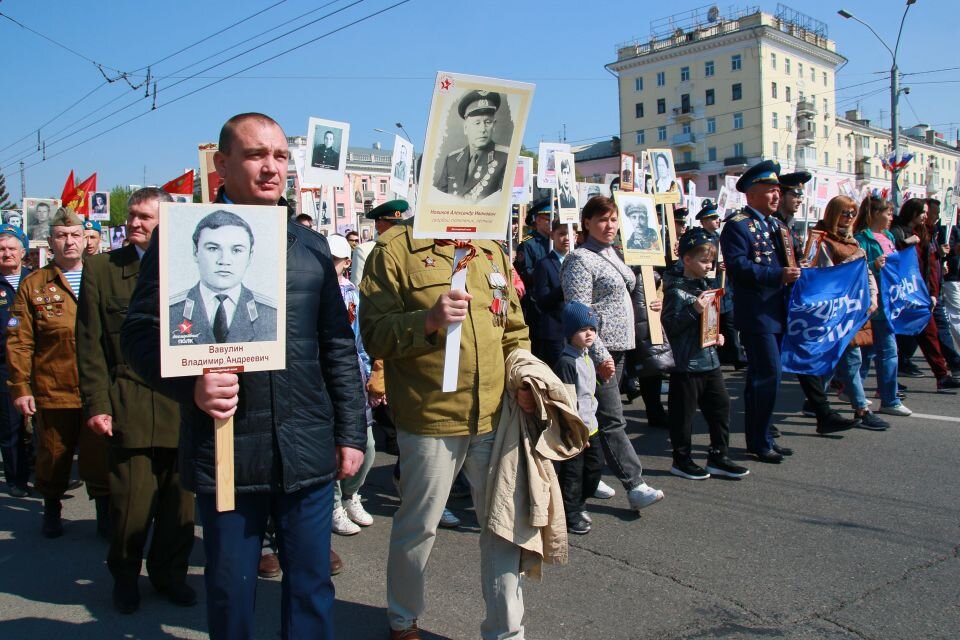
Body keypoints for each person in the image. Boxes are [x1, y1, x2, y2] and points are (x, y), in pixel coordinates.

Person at [121, 112, 368, 640]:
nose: (271, 167)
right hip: (227, 449)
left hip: (306, 447)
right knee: (231, 590)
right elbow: (138, 337)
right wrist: (189, 386)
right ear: (223, 164)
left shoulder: (310, 247)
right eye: (256, 155)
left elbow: (337, 347)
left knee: (310, 585)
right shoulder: (182, 241)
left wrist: (350, 432)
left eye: (280, 156)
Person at [359, 212, 534, 640]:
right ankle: (404, 618)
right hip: (430, 419)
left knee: (504, 527)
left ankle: (506, 631)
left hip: (494, 415)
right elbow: (375, 335)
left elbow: (513, 329)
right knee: (418, 526)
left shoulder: (490, 248)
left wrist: (526, 378)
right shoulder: (396, 248)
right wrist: (428, 321)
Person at [76, 187, 196, 614]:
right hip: (130, 403)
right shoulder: (103, 270)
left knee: (181, 507)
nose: (135, 223)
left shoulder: (190, 266)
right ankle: (125, 577)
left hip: (185, 405)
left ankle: (170, 575)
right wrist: (98, 404)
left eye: (146, 217)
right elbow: (90, 346)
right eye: (132, 216)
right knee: (131, 506)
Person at [7, 207, 109, 536]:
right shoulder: (35, 284)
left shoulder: (102, 276)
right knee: (53, 455)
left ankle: (106, 514)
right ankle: (52, 506)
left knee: (100, 457)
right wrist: (21, 387)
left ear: (86, 240)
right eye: (62, 236)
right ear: (51, 242)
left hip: (99, 389)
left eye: (75, 235)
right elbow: (20, 341)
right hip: (54, 388)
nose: (69, 242)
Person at [561, 195, 665, 511]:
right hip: (597, 350)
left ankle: (590, 477)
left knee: (593, 418)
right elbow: (578, 311)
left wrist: (651, 300)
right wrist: (600, 353)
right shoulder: (580, 259)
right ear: (587, 223)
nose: (610, 225)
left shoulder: (613, 253)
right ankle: (635, 485)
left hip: (620, 347)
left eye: (614, 219)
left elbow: (626, 290)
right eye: (603, 220)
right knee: (610, 419)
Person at [719, 160, 801, 463]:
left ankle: (762, 435)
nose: (776, 195)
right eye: (769, 190)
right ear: (751, 194)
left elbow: (791, 260)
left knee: (763, 378)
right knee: (768, 374)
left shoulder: (777, 225)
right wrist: (777, 275)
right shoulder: (738, 226)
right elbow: (738, 267)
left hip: (778, 310)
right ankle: (759, 439)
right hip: (757, 313)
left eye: (777, 190)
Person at [662, 227, 750, 480]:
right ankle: (681, 459)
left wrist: (715, 335)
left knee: (720, 408)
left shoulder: (707, 286)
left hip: (709, 360)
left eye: (710, 260)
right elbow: (670, 326)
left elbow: (710, 321)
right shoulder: (676, 290)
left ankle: (718, 455)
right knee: (684, 416)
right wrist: (694, 310)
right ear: (687, 260)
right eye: (703, 260)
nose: (708, 265)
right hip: (687, 365)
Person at [811, 196, 887, 431]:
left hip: (855, 309)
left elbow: (867, 274)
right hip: (835, 312)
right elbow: (823, 275)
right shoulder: (822, 241)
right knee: (851, 359)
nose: (849, 218)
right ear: (833, 213)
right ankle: (862, 410)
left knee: (833, 361)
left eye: (853, 214)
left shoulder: (853, 242)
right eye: (845, 213)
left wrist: (872, 298)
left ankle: (814, 399)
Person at [325, 234, 378, 537]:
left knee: (367, 446)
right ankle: (334, 504)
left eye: (335, 260)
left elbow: (360, 341)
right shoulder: (315, 291)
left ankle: (351, 494)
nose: (329, 265)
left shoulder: (353, 294)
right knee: (332, 446)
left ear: (347, 263)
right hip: (323, 378)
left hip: (353, 378)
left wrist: (370, 374)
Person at [168, 210, 278, 346]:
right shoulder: (170, 312)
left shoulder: (271, 314)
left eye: (236, 250)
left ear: (250, 256)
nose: (224, 260)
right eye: (213, 248)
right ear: (195, 251)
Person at [890, 198, 960, 391]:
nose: (926, 216)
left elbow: (927, 265)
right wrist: (905, 243)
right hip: (905, 292)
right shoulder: (899, 231)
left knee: (929, 334)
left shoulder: (925, 232)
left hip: (922, 292)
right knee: (892, 340)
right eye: (923, 212)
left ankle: (942, 375)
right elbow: (892, 256)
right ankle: (888, 380)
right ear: (913, 213)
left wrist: (932, 291)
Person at [854, 196, 911, 417]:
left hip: (891, 300)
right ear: (875, 214)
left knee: (867, 352)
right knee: (888, 352)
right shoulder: (863, 239)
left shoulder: (887, 236)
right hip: (875, 303)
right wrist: (872, 264)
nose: (890, 217)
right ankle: (889, 399)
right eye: (887, 213)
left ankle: (852, 390)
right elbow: (855, 268)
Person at [552, 301, 603, 535]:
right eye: (583, 330)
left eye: (592, 328)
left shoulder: (587, 357)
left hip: (591, 427)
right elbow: (567, 400)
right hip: (575, 431)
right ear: (570, 333)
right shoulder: (567, 362)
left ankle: (579, 502)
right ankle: (569, 513)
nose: (589, 333)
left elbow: (588, 391)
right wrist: (574, 431)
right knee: (572, 474)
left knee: (593, 470)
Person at [434, 90, 508, 202]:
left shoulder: (505, 158)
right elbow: (439, 199)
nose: (483, 129)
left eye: (488, 122)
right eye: (477, 123)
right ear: (466, 128)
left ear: (494, 126)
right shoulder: (452, 160)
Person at [0, 224, 31, 497]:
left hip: (37, 363)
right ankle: (15, 478)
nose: (6, 253)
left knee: (41, 425)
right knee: (11, 426)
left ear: (23, 251)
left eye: (12, 248)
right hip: (4, 365)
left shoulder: (36, 280)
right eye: (1, 249)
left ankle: (43, 474)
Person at [533, 219, 572, 367]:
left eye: (570, 234)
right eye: (562, 234)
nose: (566, 238)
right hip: (556, 332)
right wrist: (565, 286)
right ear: (552, 235)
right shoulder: (544, 264)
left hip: (577, 331)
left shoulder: (580, 262)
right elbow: (542, 301)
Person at [351, 199, 407, 287]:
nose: (397, 228)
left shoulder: (406, 246)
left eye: (399, 224)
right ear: (378, 225)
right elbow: (358, 288)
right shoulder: (364, 250)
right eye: (392, 224)